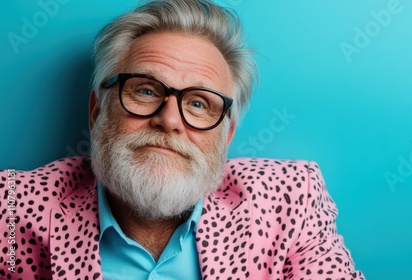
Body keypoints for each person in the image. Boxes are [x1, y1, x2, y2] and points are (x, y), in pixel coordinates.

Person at [0, 0, 365, 279]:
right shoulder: (12, 206)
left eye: (198, 103)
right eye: (144, 90)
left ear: (226, 136)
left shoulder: (290, 200)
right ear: (97, 111)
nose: (169, 120)